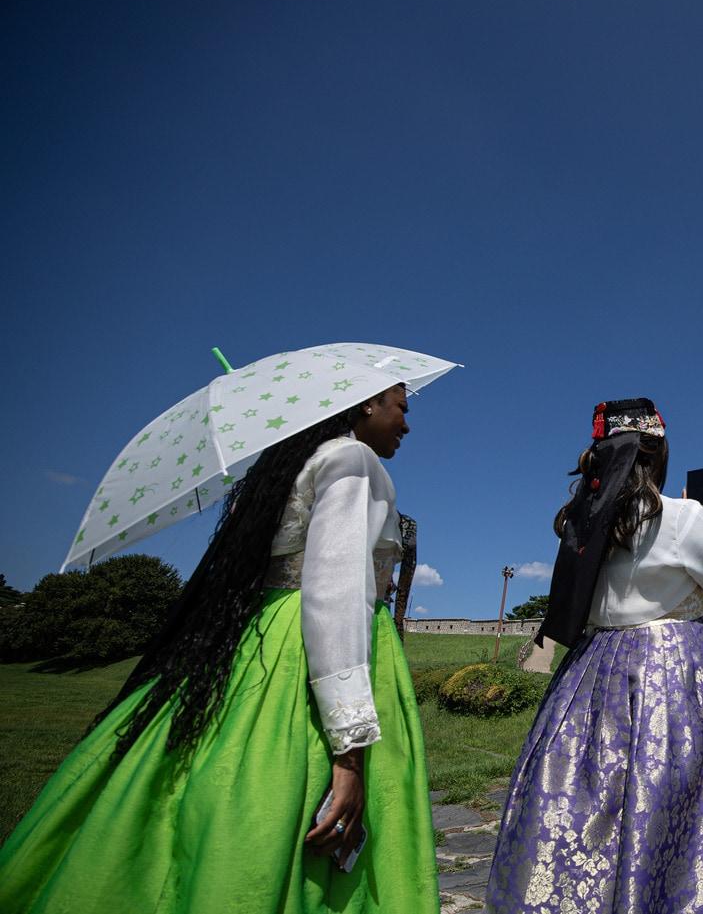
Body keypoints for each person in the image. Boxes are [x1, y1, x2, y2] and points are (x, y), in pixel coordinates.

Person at [0, 385, 439, 914]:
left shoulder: (294, 464)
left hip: (263, 641)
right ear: (367, 403)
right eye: (401, 408)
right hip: (314, 649)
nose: (405, 424)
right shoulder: (352, 457)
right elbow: (335, 593)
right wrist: (348, 757)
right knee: (293, 807)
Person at [485, 398, 703, 914]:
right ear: (656, 454)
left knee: (588, 799)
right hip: (669, 675)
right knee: (670, 803)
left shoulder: (580, 523)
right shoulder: (681, 518)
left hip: (588, 674)